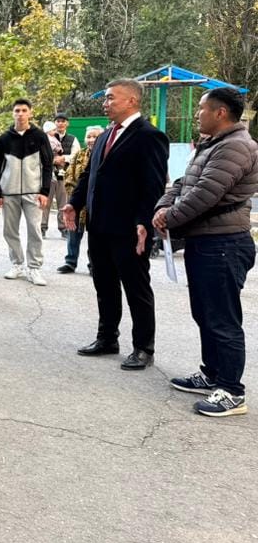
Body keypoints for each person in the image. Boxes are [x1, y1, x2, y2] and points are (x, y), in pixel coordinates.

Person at [153, 88, 258, 416]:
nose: (197, 114)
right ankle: (212, 373)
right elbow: (183, 183)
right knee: (206, 314)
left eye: (201, 108)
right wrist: (162, 207)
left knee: (223, 319)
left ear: (220, 112)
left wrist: (169, 218)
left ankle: (231, 391)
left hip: (224, 245)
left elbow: (204, 194)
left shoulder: (236, 146)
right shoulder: (212, 144)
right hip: (206, 242)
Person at [63, 78, 169, 370]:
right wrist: (75, 202)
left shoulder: (149, 136)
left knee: (136, 288)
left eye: (111, 98)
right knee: (104, 284)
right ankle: (107, 337)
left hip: (130, 230)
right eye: (105, 98)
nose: (105, 103)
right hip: (99, 225)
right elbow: (90, 175)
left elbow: (153, 185)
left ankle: (143, 347)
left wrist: (144, 222)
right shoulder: (106, 135)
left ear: (132, 100)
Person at [0, 99, 53, 286]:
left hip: (33, 192)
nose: (20, 114)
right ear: (13, 113)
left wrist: (44, 191)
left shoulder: (40, 136)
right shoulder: (3, 139)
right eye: (17, 110)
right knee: (10, 230)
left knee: (35, 229)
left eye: (24, 110)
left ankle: (34, 267)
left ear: (30, 113)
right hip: (9, 192)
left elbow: (47, 164)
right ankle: (17, 264)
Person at [57, 125, 103, 274]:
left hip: (96, 203)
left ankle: (94, 264)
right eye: (89, 137)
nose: (91, 140)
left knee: (95, 236)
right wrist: (74, 197)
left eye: (95, 136)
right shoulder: (79, 155)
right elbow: (69, 175)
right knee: (73, 232)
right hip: (77, 201)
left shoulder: (104, 155)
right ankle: (70, 262)